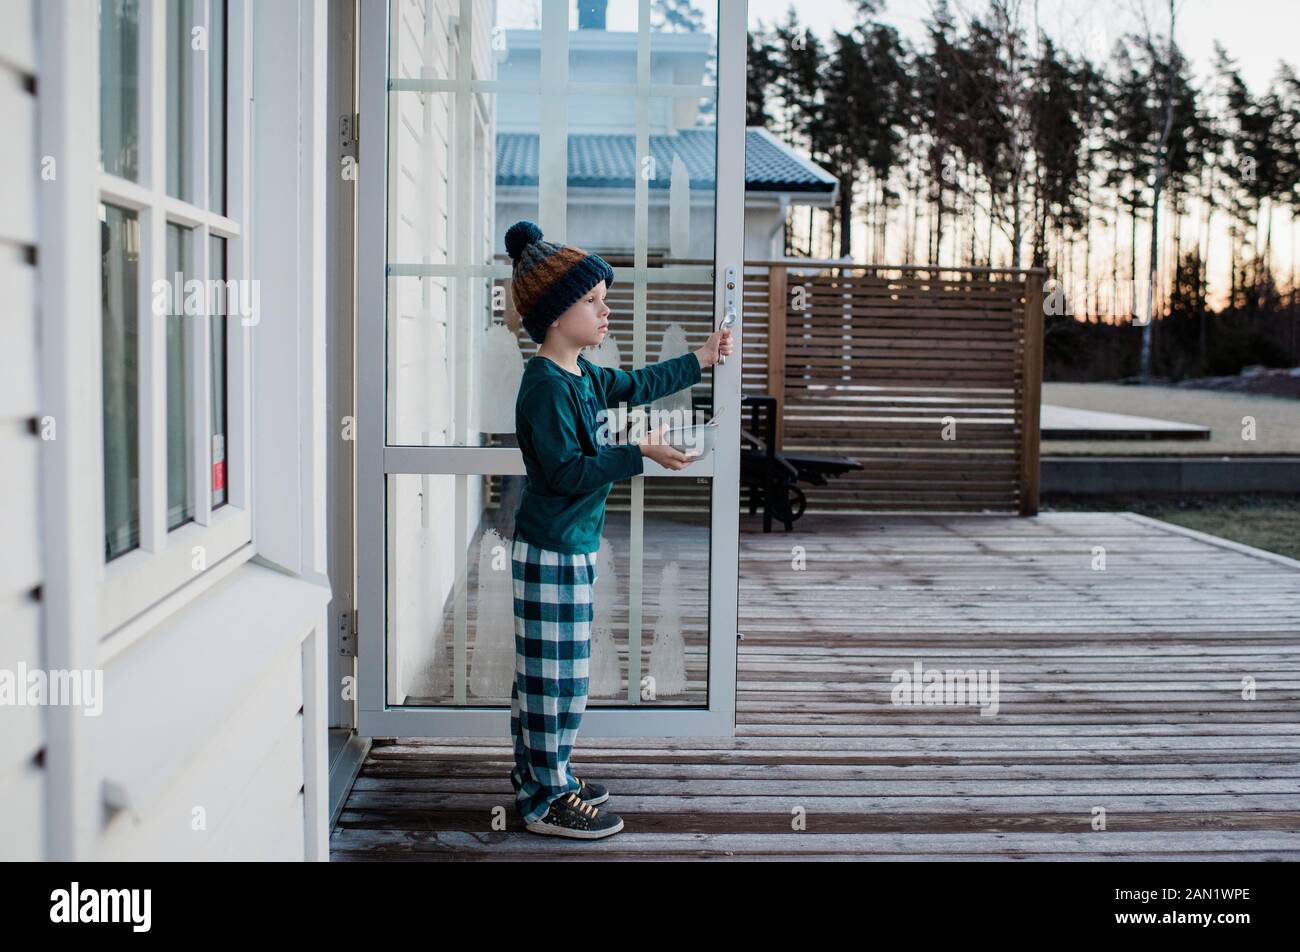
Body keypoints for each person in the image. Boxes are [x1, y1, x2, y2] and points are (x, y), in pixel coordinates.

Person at [504, 219, 732, 838]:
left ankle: (540, 778)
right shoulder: (546, 387)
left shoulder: (583, 374)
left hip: (566, 550)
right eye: (593, 301)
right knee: (559, 680)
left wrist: (701, 359)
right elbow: (565, 472)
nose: (606, 311)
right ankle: (547, 801)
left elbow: (637, 385)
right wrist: (641, 453)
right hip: (550, 552)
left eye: (605, 299)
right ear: (555, 314)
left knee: (548, 674)